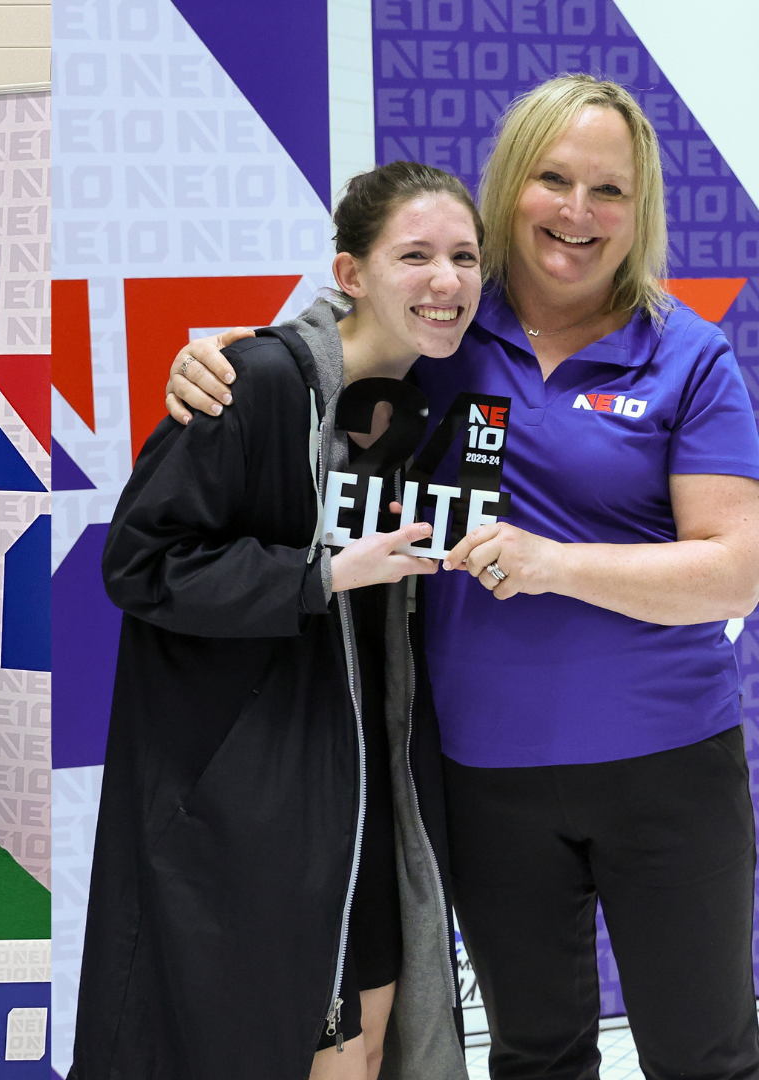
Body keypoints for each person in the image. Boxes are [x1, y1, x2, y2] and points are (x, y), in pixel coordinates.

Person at [164, 75, 759, 1080]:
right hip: (484, 777)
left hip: (670, 768)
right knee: (534, 1052)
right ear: (508, 186)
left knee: (706, 1057)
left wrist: (553, 563)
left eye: (608, 191)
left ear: (642, 207)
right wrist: (222, 356)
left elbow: (733, 573)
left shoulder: (687, 357)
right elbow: (319, 353)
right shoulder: (439, 326)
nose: (577, 213)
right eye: (553, 179)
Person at [73, 162, 481, 1080]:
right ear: (351, 273)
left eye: (464, 257)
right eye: (414, 255)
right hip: (261, 805)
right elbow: (138, 564)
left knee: (375, 1047)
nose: (445, 280)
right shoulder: (251, 381)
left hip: (377, 790)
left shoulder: (446, 399)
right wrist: (321, 575)